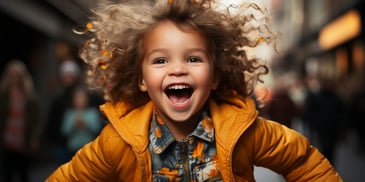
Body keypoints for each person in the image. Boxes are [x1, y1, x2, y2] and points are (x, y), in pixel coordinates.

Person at [47, 0, 342, 181]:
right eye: (161, 60)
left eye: (193, 59)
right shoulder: (117, 142)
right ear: (140, 79)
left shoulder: (242, 131)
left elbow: (302, 161)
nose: (178, 69)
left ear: (214, 76)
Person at [0, 59, 41, 182]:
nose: (15, 79)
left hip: (23, 138)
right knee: (7, 173)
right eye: (12, 75)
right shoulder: (3, 95)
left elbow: (36, 120)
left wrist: (34, 138)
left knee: (23, 173)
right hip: (7, 138)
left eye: (17, 76)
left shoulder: (29, 96)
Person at [44, 59, 82, 165]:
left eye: (70, 76)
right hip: (60, 143)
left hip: (78, 141)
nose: (67, 79)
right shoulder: (58, 98)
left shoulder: (81, 96)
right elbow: (52, 120)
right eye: (65, 76)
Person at [61, 86, 102, 161]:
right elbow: (64, 131)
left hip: (88, 147)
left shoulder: (92, 113)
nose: (79, 100)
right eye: (77, 98)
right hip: (72, 148)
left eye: (82, 97)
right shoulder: (69, 114)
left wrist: (86, 124)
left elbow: (97, 129)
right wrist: (74, 125)